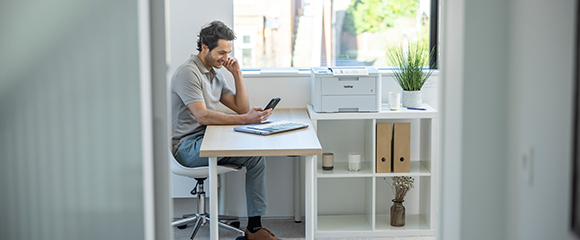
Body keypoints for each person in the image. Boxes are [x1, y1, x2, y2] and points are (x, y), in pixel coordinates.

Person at [170, 20, 280, 240]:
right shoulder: (188, 73)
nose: (225, 57)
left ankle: (254, 229)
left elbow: (240, 107)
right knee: (253, 153)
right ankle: (255, 232)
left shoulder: (215, 73)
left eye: (228, 52)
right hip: (187, 147)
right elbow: (202, 115)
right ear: (204, 48)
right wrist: (244, 119)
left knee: (255, 157)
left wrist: (237, 73)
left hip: (207, 137)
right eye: (221, 52)